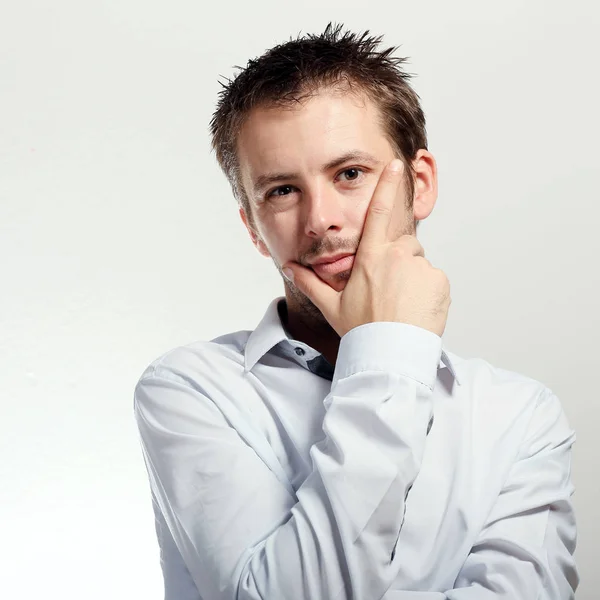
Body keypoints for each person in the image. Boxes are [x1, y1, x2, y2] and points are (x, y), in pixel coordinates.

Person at [133, 24, 578, 600]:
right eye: (282, 191)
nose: (321, 220)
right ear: (253, 227)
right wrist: (388, 345)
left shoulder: (520, 416)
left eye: (349, 174)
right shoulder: (191, 390)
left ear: (418, 185)